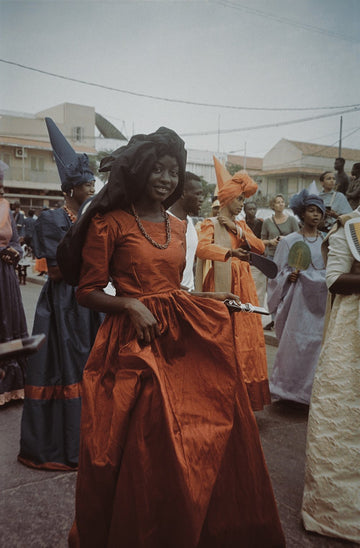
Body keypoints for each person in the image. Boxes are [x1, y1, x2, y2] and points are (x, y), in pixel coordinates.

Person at [61, 127, 285, 547]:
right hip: (132, 343)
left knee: (208, 425)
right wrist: (128, 304)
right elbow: (86, 291)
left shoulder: (180, 227)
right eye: (158, 170)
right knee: (143, 443)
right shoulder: (109, 223)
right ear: (141, 171)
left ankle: (191, 525)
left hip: (176, 333)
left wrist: (209, 296)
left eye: (173, 171)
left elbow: (174, 289)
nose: (166, 178)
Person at [18, 118, 103, 470]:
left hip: (88, 300)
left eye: (92, 183)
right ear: (69, 189)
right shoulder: (53, 220)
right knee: (65, 366)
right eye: (85, 184)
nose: (91, 188)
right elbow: (56, 270)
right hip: (64, 304)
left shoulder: (91, 217)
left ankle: (91, 441)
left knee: (91, 367)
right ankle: (64, 444)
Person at [302, 205, 360, 543]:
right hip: (351, 335)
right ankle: (336, 515)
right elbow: (335, 280)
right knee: (343, 416)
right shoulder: (350, 228)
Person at [196, 157, 271, 411]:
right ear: (227, 199)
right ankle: (221, 398)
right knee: (223, 336)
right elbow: (202, 248)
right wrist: (228, 253)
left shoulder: (240, 224)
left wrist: (238, 232)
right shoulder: (210, 223)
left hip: (244, 283)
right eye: (239, 199)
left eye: (243, 199)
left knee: (246, 337)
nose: (242, 204)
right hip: (222, 281)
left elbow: (259, 247)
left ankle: (243, 400)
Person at [267, 190, 327, 404]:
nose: (316, 215)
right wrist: (288, 277)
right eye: (311, 210)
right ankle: (286, 392)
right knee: (293, 345)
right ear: (302, 213)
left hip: (320, 305)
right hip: (296, 305)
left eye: (319, 211)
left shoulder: (327, 242)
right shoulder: (289, 241)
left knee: (315, 347)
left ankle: (309, 393)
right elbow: (276, 274)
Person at [0, 161, 28, 405]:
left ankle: (11, 385)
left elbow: (17, 241)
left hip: (4, 276)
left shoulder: (6, 209)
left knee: (7, 321)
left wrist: (14, 251)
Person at [168, 171, 203, 290]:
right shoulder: (164, 223)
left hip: (189, 294)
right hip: (171, 296)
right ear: (182, 194)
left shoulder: (190, 222)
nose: (201, 199)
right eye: (198, 194)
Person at [244, 201, 268, 326]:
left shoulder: (261, 224)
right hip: (245, 261)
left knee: (259, 292)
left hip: (258, 262)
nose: (252, 211)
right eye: (249, 209)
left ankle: (257, 319)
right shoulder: (242, 224)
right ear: (245, 210)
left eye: (254, 209)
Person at [261, 194, 299, 259]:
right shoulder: (267, 222)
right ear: (273, 205)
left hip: (288, 256)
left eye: (282, 202)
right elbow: (262, 241)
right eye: (278, 202)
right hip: (272, 256)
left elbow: (298, 238)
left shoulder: (292, 220)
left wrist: (285, 238)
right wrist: (271, 242)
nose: (281, 204)